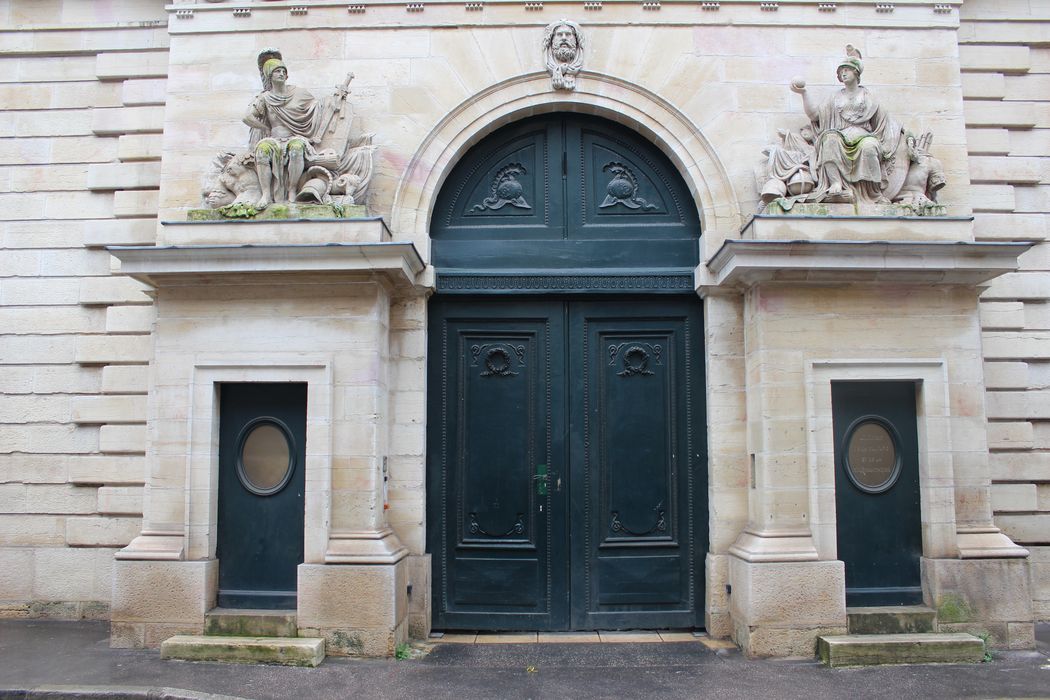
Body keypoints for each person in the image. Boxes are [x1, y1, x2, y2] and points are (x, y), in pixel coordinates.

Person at [789, 45, 904, 204]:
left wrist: (899, 134)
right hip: (840, 135)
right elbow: (814, 115)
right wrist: (804, 93)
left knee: (869, 146)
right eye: (840, 71)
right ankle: (836, 182)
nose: (843, 73)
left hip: (863, 137)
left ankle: (873, 193)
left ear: (856, 73)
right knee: (829, 139)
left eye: (846, 70)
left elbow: (883, 121)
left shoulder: (868, 97)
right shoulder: (834, 98)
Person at [243, 51, 344, 208]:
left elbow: (318, 107)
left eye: (284, 71)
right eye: (277, 71)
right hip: (273, 139)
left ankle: (291, 189)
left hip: (294, 137)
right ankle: (266, 194)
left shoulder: (299, 93)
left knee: (296, 148)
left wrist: (334, 101)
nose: (282, 74)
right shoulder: (265, 98)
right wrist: (266, 127)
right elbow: (247, 117)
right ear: (269, 75)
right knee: (262, 150)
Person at [543, 20, 584, 90]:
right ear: (551, 40)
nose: (564, 38)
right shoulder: (548, 61)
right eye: (559, 34)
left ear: (576, 39)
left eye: (568, 34)